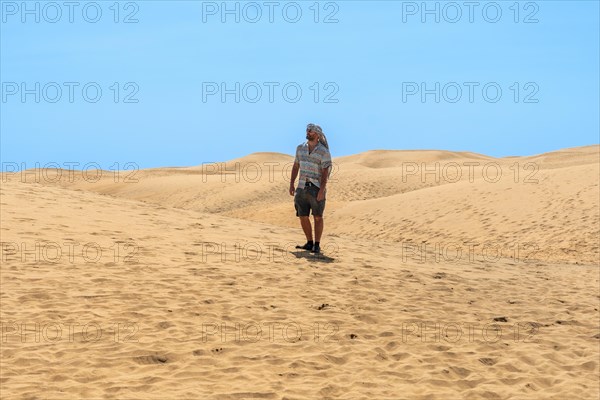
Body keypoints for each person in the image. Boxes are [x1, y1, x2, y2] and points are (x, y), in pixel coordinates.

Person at [289, 123, 332, 254]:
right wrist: (291, 183)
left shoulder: (324, 152)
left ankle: (317, 245)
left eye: (311, 131)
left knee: (318, 217)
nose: (308, 132)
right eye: (307, 130)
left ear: (318, 135)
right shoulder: (300, 148)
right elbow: (296, 166)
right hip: (301, 186)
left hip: (316, 187)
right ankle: (309, 243)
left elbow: (325, 172)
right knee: (302, 215)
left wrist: (321, 190)